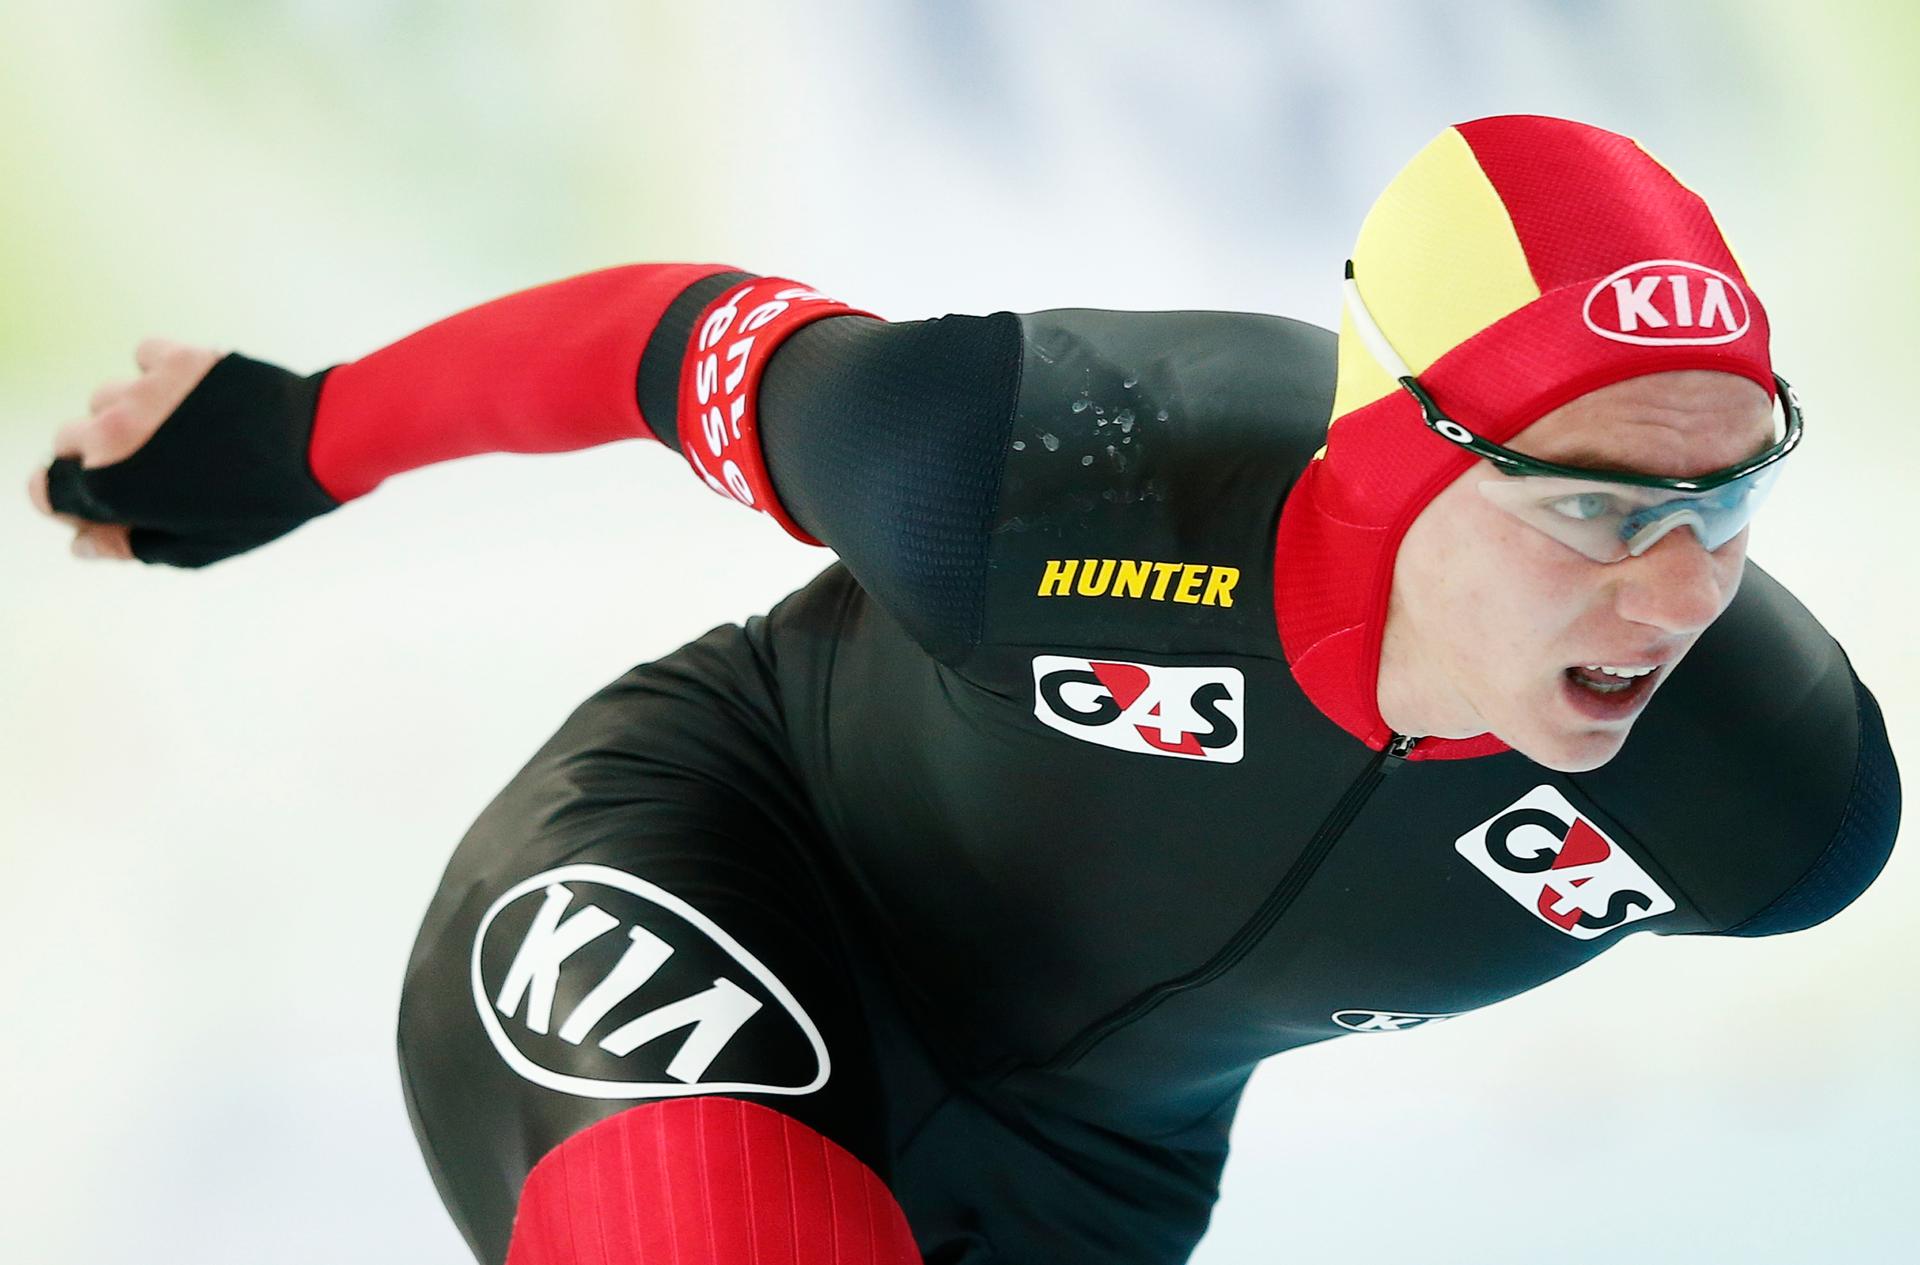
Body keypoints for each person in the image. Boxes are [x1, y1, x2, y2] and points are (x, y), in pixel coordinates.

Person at [27, 114, 1901, 1265]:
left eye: (1728, 496)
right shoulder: (1041, 467)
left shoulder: (1770, 802)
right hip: (725, 880)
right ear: (1401, 461)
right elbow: (661, 342)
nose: (1684, 589)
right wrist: (297, 436)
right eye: (1594, 505)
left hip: (1079, 1191)